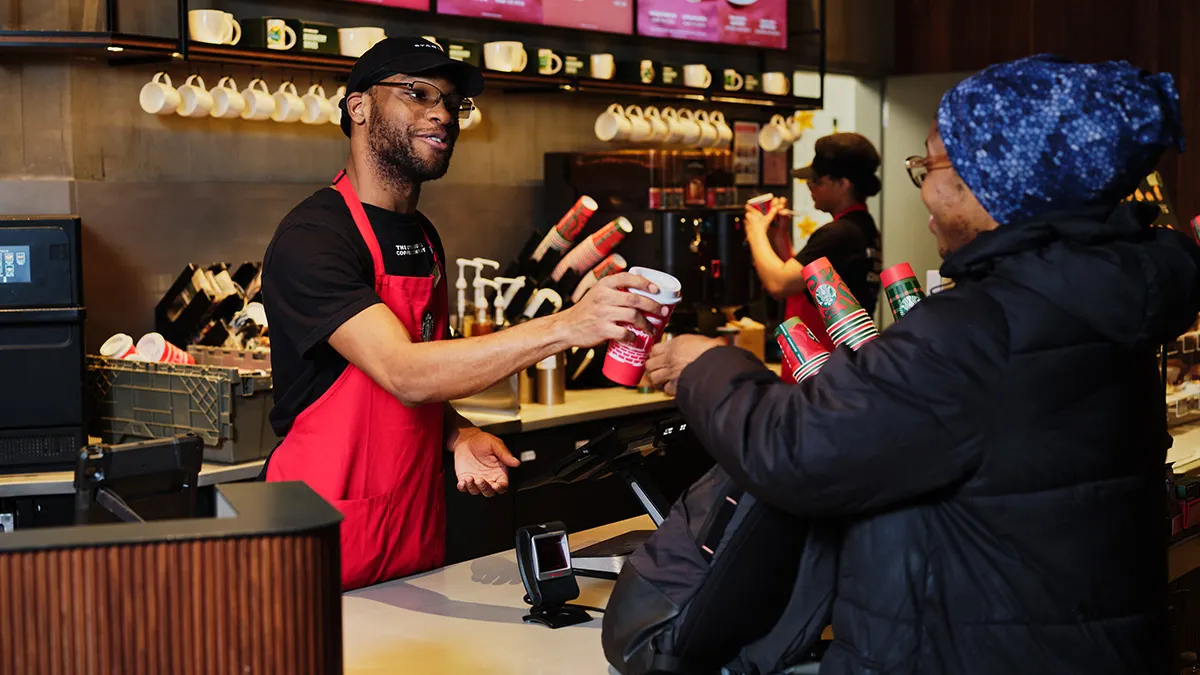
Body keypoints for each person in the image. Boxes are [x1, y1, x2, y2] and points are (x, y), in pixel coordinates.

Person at [645, 54, 1199, 673]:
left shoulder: (985, 327)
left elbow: (796, 451)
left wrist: (705, 364)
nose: (926, 188)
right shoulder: (1097, 298)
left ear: (995, 178)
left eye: (932, 164)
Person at [260, 38, 665, 591]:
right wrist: (568, 324)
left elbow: (430, 371)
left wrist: (458, 435)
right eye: (418, 93)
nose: (442, 114)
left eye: (452, 102)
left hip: (412, 527)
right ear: (357, 107)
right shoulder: (315, 237)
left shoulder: (423, 237)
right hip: (322, 532)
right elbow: (403, 372)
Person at [745, 133, 882, 350]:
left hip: (824, 363)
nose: (810, 186)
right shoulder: (863, 227)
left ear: (843, 184)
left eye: (817, 181)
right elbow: (800, 280)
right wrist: (780, 236)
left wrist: (755, 229)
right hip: (840, 360)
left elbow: (779, 284)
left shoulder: (839, 234)